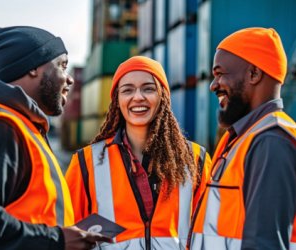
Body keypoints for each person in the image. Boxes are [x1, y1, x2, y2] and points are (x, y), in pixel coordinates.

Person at [0, 26, 110, 250]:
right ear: (34, 68)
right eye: (62, 66)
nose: (70, 80)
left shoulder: (24, 126)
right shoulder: (0, 126)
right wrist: (58, 240)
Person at [65, 56, 211, 249]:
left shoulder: (195, 159)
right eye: (127, 90)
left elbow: (209, 234)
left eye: (148, 88)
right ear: (117, 99)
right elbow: (68, 233)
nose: (138, 97)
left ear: (163, 97)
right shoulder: (86, 162)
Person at [190, 27, 296, 249]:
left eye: (220, 74)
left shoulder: (270, 142)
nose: (213, 85)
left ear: (254, 74)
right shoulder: (243, 139)